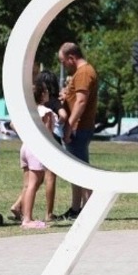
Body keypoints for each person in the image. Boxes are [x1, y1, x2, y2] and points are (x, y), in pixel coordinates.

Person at [57, 42, 98, 221]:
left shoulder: (83, 73)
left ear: (71, 58)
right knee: (77, 170)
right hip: (79, 127)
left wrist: (70, 126)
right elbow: (76, 98)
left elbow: (81, 102)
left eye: (63, 61)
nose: (63, 65)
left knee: (82, 170)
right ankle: (76, 208)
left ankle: (90, 208)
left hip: (79, 128)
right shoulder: (81, 73)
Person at [15, 81, 56, 229]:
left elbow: (13, 124)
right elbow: (47, 133)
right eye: (46, 91)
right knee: (34, 184)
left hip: (25, 147)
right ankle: (27, 219)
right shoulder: (46, 112)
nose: (48, 93)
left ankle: (26, 216)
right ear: (42, 94)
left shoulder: (27, 111)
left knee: (27, 185)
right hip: (37, 149)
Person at [36, 69, 68, 222]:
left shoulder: (35, 102)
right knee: (50, 177)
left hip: (37, 138)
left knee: (35, 177)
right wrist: (60, 124)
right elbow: (63, 115)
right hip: (52, 138)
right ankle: (49, 213)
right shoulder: (54, 101)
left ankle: (18, 205)